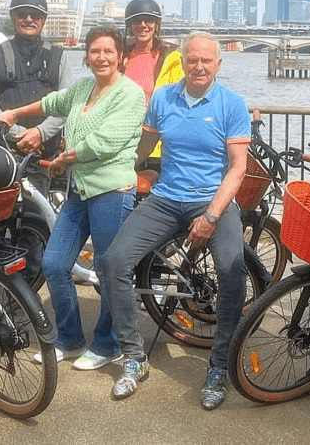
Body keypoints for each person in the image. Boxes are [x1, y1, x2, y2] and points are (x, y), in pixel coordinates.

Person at [100, 31, 250, 410]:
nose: (198, 66)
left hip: (212, 201)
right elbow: (144, 147)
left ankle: (219, 365)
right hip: (166, 198)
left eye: (206, 61)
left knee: (233, 272)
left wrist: (212, 215)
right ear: (182, 61)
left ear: (219, 64)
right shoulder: (164, 98)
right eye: (192, 60)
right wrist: (117, 171)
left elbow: (237, 169)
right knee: (114, 261)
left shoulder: (232, 104)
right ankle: (134, 356)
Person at [0, 27, 145, 371]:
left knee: (109, 270)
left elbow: (105, 142)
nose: (102, 57)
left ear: (120, 55)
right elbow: (52, 103)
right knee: (54, 264)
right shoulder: (83, 89)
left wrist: (65, 159)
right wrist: (17, 114)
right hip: (81, 190)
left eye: (109, 51)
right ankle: (69, 338)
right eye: (95, 51)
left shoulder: (130, 93)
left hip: (112, 191)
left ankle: (108, 345)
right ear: (87, 55)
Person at [0, 0, 77, 162]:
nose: (28, 19)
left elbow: (66, 104)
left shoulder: (59, 57)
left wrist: (41, 133)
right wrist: (21, 135)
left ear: (43, 20)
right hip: (3, 150)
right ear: (13, 18)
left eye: (35, 15)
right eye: (22, 14)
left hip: (47, 151)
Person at [120, 0, 184, 168]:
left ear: (156, 25)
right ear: (130, 26)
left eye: (148, 20)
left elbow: (179, 98)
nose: (142, 25)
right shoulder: (119, 57)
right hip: (122, 142)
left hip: (159, 145)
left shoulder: (171, 57)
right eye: (136, 21)